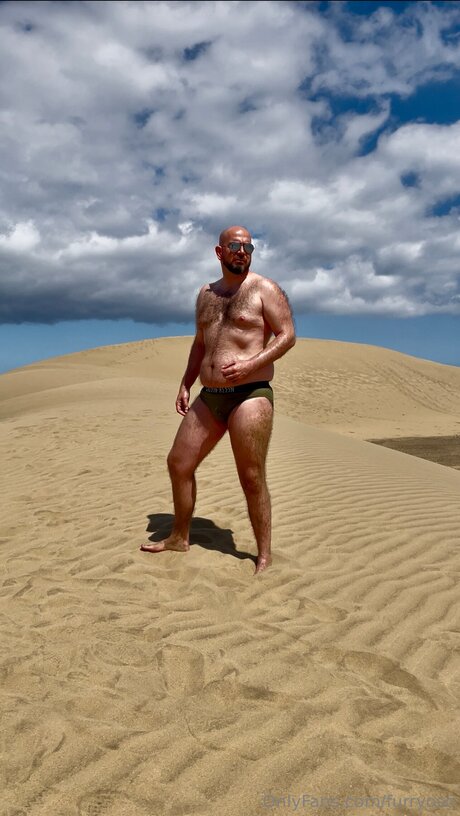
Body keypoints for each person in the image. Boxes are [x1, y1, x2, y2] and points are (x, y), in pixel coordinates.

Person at [140, 225, 296, 574]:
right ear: (219, 251)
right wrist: (185, 383)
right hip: (210, 396)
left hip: (249, 394)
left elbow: (287, 335)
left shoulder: (264, 289)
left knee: (251, 475)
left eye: (248, 247)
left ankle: (264, 555)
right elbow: (200, 343)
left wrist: (250, 364)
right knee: (179, 463)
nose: (242, 252)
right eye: (235, 246)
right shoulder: (206, 294)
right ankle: (179, 537)